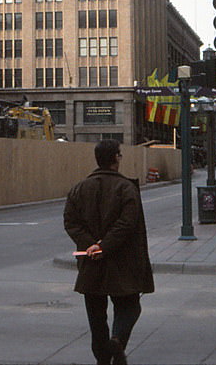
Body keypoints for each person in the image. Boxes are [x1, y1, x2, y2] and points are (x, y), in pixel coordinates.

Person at [64, 139, 154, 365]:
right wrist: (104, 246)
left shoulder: (79, 188)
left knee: (96, 315)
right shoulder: (126, 188)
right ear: (116, 158)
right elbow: (127, 223)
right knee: (129, 306)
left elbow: (71, 222)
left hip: (91, 261)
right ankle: (117, 340)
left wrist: (91, 245)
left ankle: (102, 357)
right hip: (122, 261)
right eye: (120, 155)